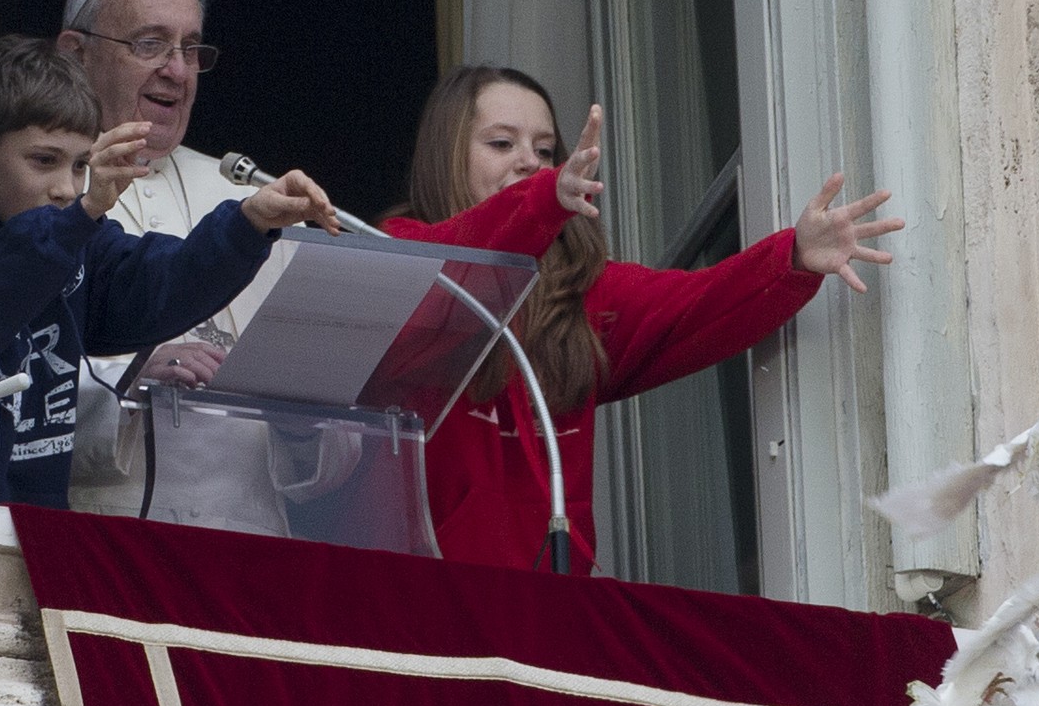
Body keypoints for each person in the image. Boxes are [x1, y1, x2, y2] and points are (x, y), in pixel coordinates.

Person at [381, 64, 904, 574]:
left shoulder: (582, 291)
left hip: (550, 602)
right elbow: (451, 266)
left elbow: (699, 303)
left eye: (544, 151)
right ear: (447, 156)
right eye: (501, 143)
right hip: (426, 595)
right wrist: (541, 201)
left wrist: (793, 257)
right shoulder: (397, 253)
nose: (530, 164)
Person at [0, 35, 338, 509]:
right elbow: (6, 286)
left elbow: (160, 284)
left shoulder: (82, 242)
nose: (65, 188)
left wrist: (248, 223)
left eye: (79, 166)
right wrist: (84, 213)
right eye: (44, 161)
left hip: (35, 522)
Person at [53, 0, 297, 532]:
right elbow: (4, 377)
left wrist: (306, 429)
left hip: (254, 543)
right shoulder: (42, 186)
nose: (178, 71)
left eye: (191, 49)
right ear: (76, 52)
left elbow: (335, 443)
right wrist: (130, 374)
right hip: (100, 535)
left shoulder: (258, 200)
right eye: (151, 44)